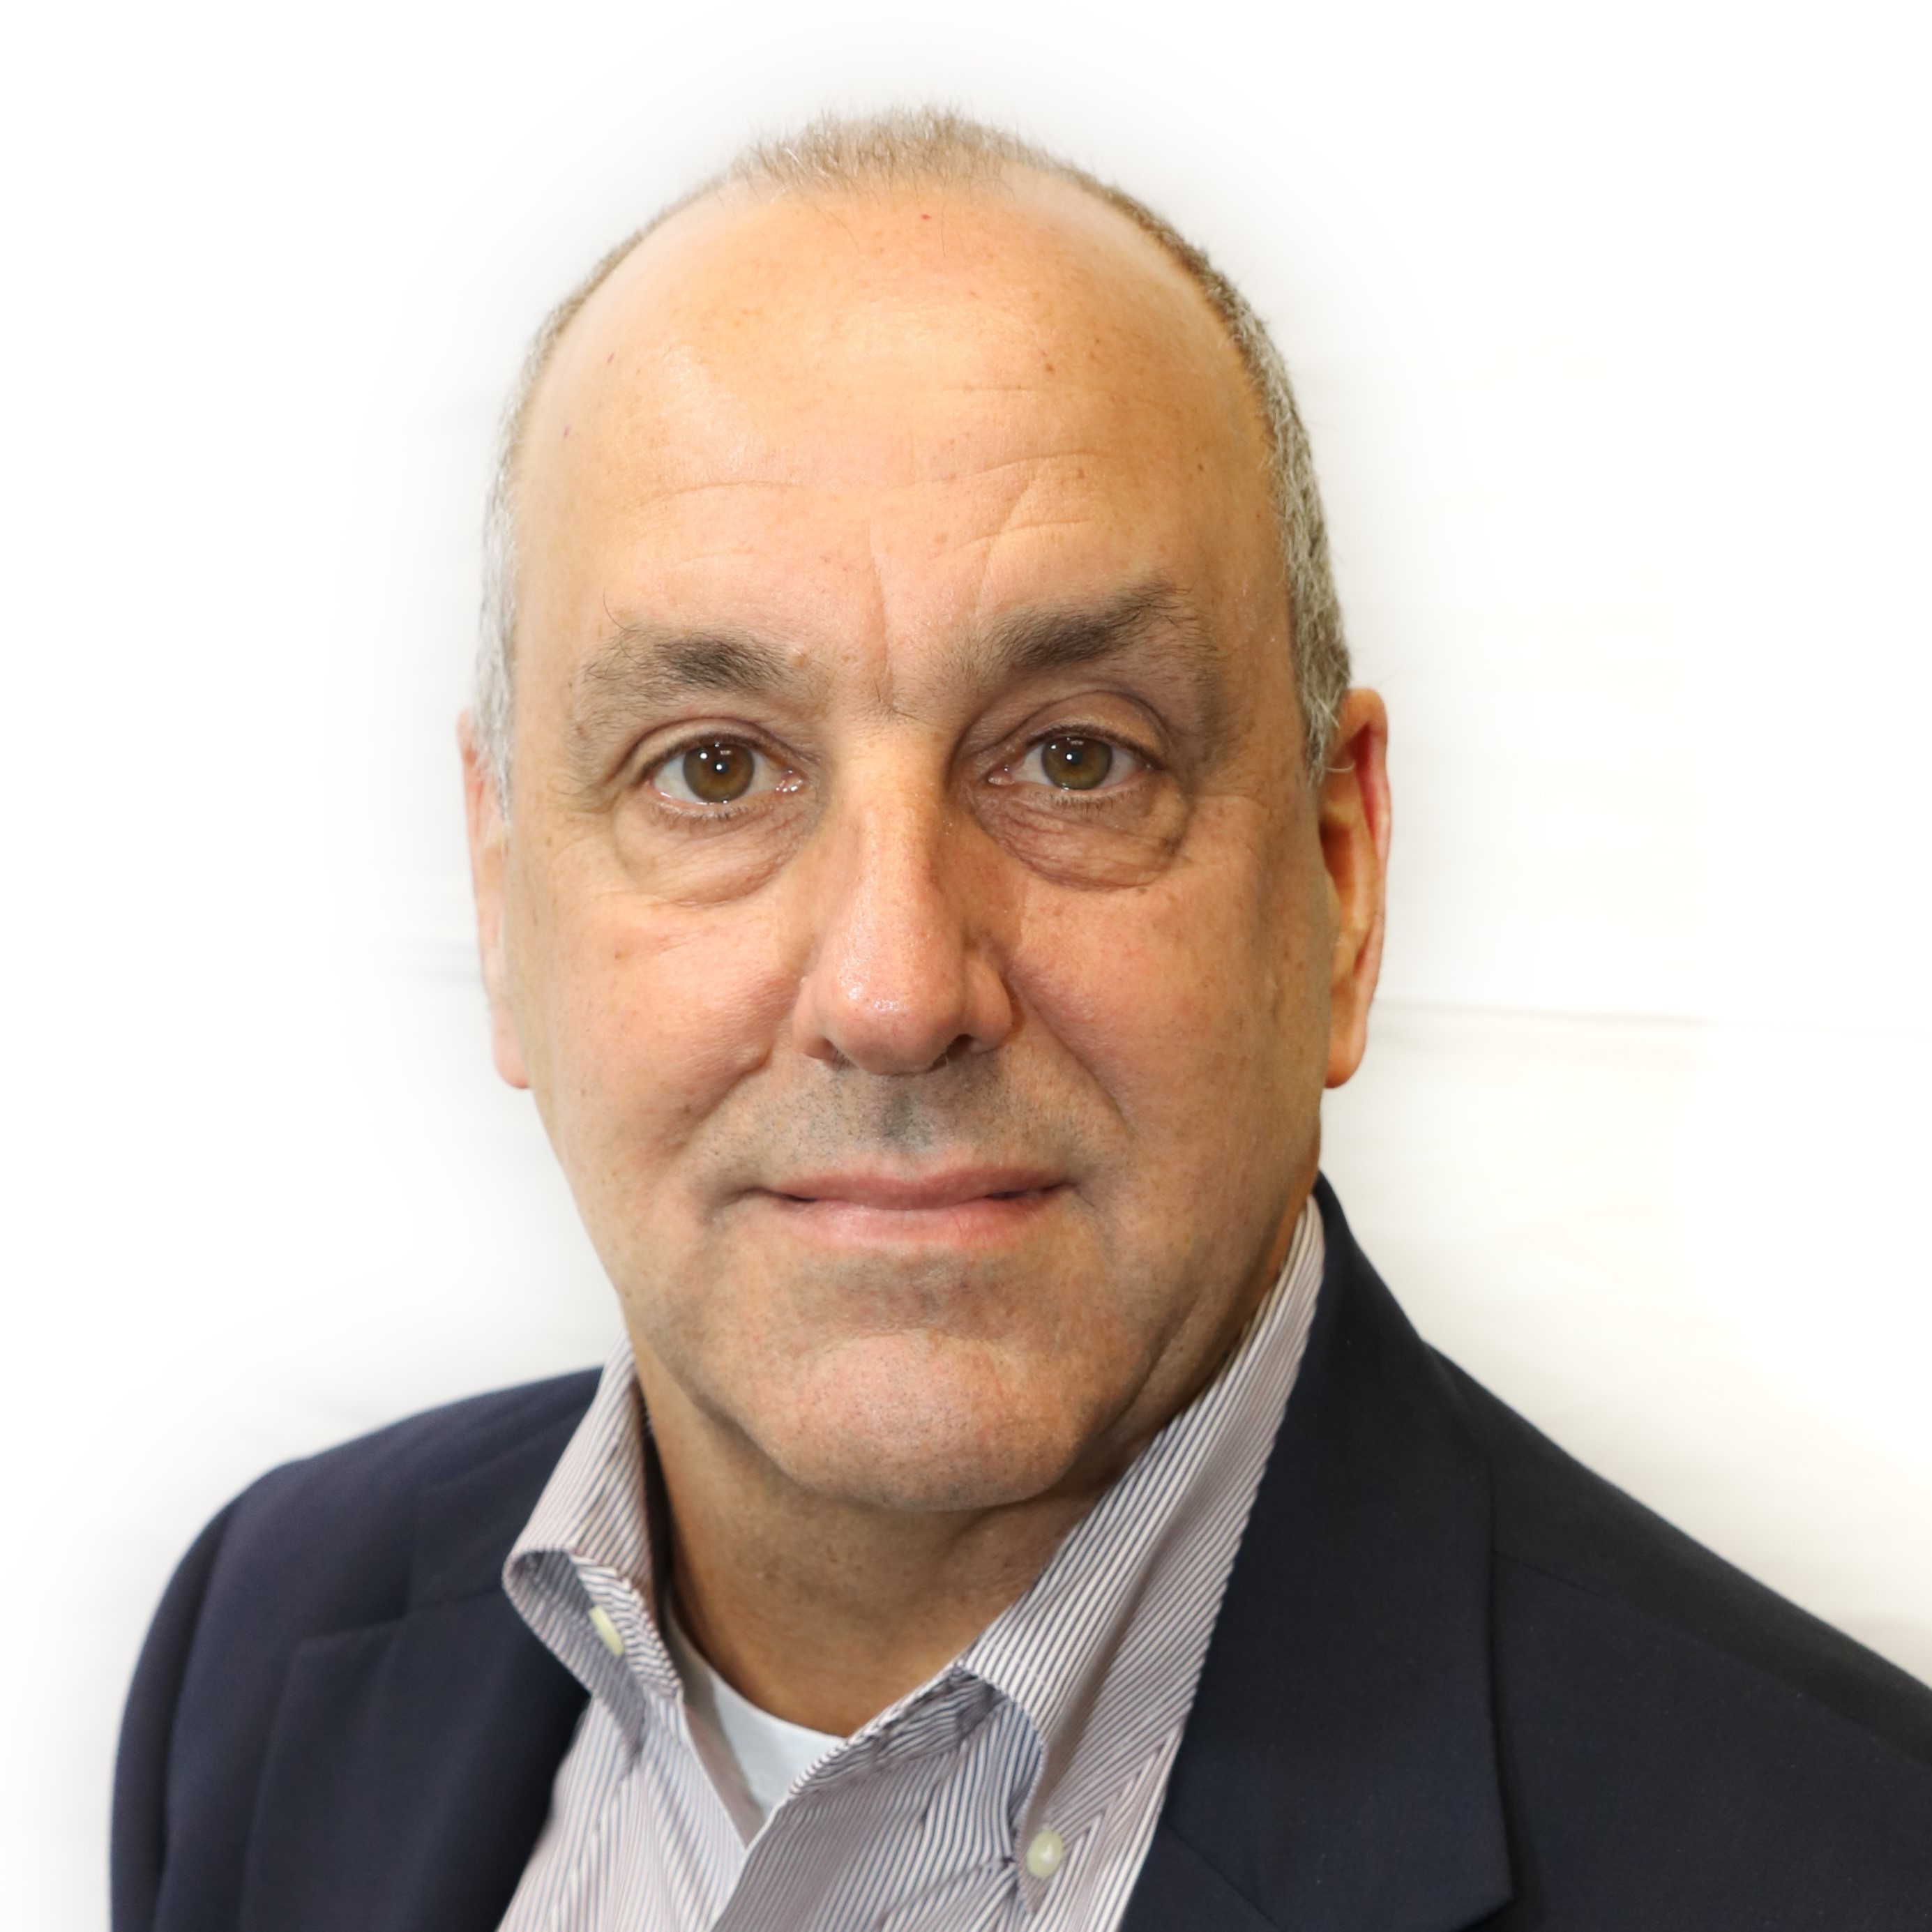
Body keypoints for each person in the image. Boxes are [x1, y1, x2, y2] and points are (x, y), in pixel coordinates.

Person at [112, 110, 1932, 1932]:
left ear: (1341, 875)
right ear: (504, 902)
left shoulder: (1842, 1867)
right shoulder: (261, 1644)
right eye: (714, 767)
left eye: (1074, 756)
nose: (897, 991)